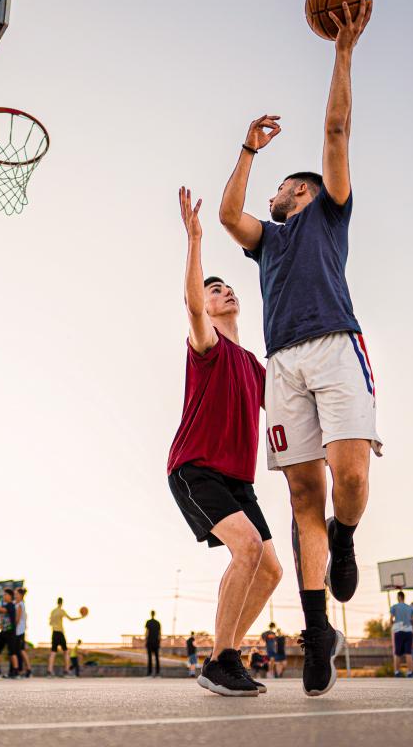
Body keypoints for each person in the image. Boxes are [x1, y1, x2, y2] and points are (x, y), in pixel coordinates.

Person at [218, 0, 376, 699]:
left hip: (337, 349)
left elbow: (337, 128)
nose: (275, 191)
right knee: (301, 495)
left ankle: (346, 536)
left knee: (350, 483)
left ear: (307, 193)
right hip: (283, 364)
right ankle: (319, 634)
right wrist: (249, 151)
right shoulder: (268, 242)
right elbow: (228, 216)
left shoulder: (329, 213)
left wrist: (342, 51)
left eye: (284, 182)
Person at [167, 188, 283, 698]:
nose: (223, 292)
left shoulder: (255, 367)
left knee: (272, 570)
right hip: (195, 468)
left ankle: (224, 657)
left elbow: (290, 412)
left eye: (228, 287)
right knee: (249, 549)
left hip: (238, 480)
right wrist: (195, 242)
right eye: (216, 290)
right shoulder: (207, 346)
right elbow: (192, 304)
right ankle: (221, 659)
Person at [48, 597, 85, 677]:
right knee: (66, 652)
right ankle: (66, 671)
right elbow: (71, 619)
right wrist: (81, 617)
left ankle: (50, 671)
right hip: (60, 632)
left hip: (54, 632)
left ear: (57, 602)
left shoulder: (53, 611)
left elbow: (50, 623)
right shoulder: (61, 611)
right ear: (62, 603)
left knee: (53, 652)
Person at [389, 591, 413, 677]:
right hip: (408, 631)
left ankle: (397, 672)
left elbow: (391, 619)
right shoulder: (410, 608)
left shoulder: (394, 607)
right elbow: (412, 620)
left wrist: (392, 625)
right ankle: (410, 672)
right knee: (408, 652)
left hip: (398, 630)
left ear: (399, 597)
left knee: (397, 653)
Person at [15, 588, 31, 677]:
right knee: (20, 651)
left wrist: (13, 628)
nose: (15, 595)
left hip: (19, 631)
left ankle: (28, 669)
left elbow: (17, 619)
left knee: (21, 650)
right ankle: (25, 669)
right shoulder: (20, 604)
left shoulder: (20, 604)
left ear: (20, 595)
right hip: (20, 630)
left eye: (16, 594)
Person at [144, 611, 162, 679]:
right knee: (157, 658)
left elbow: (147, 632)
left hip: (150, 642)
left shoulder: (148, 622)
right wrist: (159, 641)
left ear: (150, 614)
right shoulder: (158, 623)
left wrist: (145, 640)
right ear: (155, 614)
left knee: (150, 658)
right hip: (156, 642)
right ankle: (157, 673)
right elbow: (160, 633)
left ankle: (149, 673)